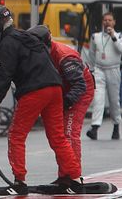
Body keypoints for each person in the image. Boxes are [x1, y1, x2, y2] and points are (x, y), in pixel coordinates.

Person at [0, 6, 83, 195]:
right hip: (55, 88)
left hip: (34, 91)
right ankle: (75, 177)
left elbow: (4, 75)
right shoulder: (27, 37)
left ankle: (19, 181)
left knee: (17, 136)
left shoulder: (8, 43)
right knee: (58, 137)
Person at [28, 24, 94, 174]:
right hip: (64, 89)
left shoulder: (65, 56)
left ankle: (74, 175)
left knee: (69, 133)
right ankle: (64, 174)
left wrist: (65, 103)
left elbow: (80, 85)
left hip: (80, 91)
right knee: (57, 136)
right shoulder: (43, 52)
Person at [86, 12, 122, 141]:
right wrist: (92, 69)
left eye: (110, 20)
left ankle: (116, 125)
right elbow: (92, 53)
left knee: (114, 100)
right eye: (105, 20)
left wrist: (113, 37)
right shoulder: (95, 37)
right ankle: (95, 127)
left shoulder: (121, 36)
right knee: (98, 98)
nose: (107, 22)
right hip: (99, 70)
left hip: (113, 70)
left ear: (114, 22)